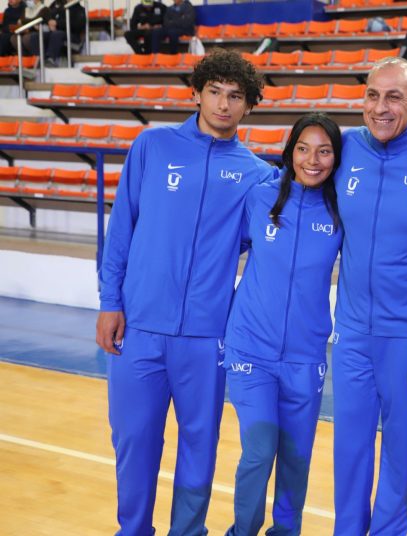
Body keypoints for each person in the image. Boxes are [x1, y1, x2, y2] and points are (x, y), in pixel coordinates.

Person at [96, 49, 273, 536]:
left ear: (249, 106)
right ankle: (134, 530)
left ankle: (187, 531)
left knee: (199, 446)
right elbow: (122, 228)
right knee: (133, 441)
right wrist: (110, 301)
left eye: (235, 96)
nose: (223, 104)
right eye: (214, 92)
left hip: (206, 335)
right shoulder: (152, 146)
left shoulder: (258, 175)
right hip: (139, 326)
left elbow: (265, 244)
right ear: (196, 93)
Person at [222, 112, 343, 535]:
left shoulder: (340, 210)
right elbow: (220, 252)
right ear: (290, 152)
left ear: (336, 158)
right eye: (303, 149)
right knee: (259, 450)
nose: (313, 160)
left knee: (295, 458)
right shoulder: (260, 197)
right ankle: (242, 531)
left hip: (305, 357)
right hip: (250, 350)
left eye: (324, 151)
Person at [331, 56, 407, 536]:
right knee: (349, 449)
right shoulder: (345, 148)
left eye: (394, 96)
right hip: (351, 333)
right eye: (372, 95)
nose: (381, 107)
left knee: (402, 452)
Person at [23, 0, 85, 67]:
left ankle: (50, 60)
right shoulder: (59, 7)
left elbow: (77, 26)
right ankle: (37, 60)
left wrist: (57, 24)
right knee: (35, 36)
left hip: (72, 37)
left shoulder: (80, 9)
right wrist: (49, 23)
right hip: (55, 34)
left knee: (57, 34)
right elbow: (48, 17)